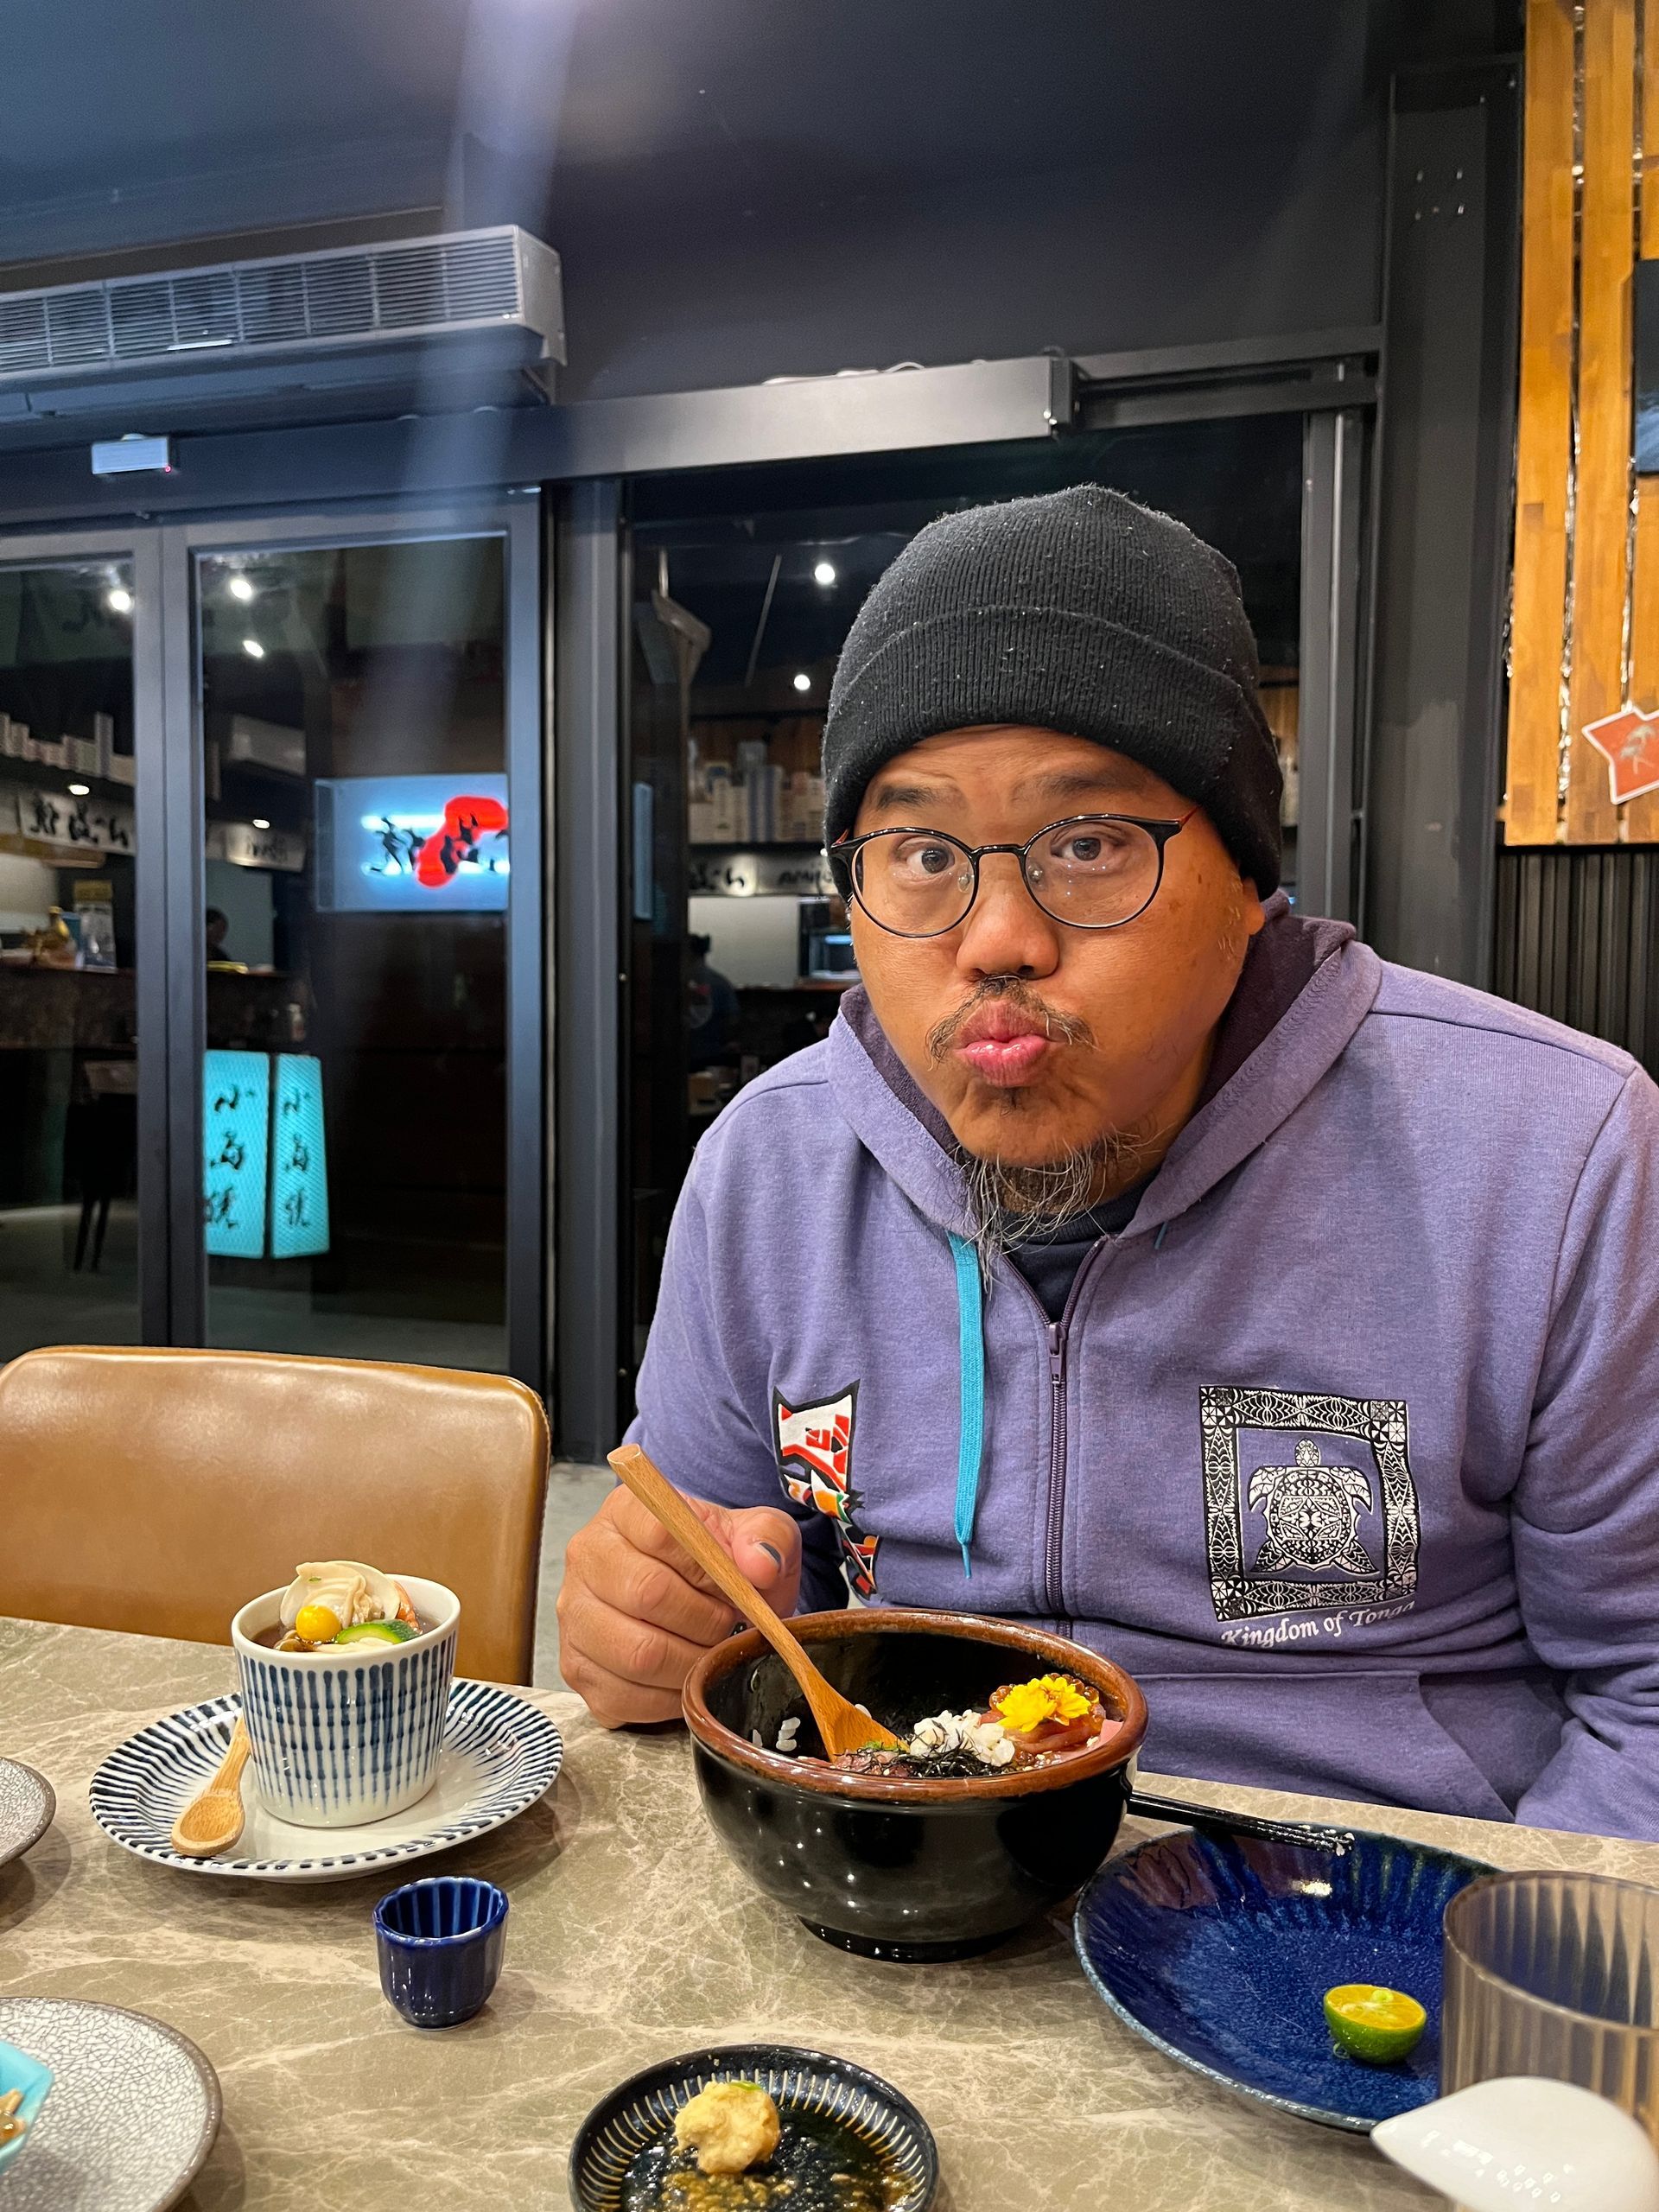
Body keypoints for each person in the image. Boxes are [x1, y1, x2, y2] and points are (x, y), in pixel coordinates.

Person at [558, 486, 1659, 1841]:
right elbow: (712, 1627)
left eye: (1088, 845)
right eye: (918, 854)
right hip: (894, 1882)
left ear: (1248, 885)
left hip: (1366, 1928)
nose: (998, 938)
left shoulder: (1550, 1155)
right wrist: (652, 1633)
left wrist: (1492, 1974)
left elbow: (1647, 1700)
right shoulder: (774, 1166)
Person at [686, 933, 739, 1071]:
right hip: (712, 1056)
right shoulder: (720, 983)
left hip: (687, 1054)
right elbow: (732, 1020)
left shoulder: (669, 984)